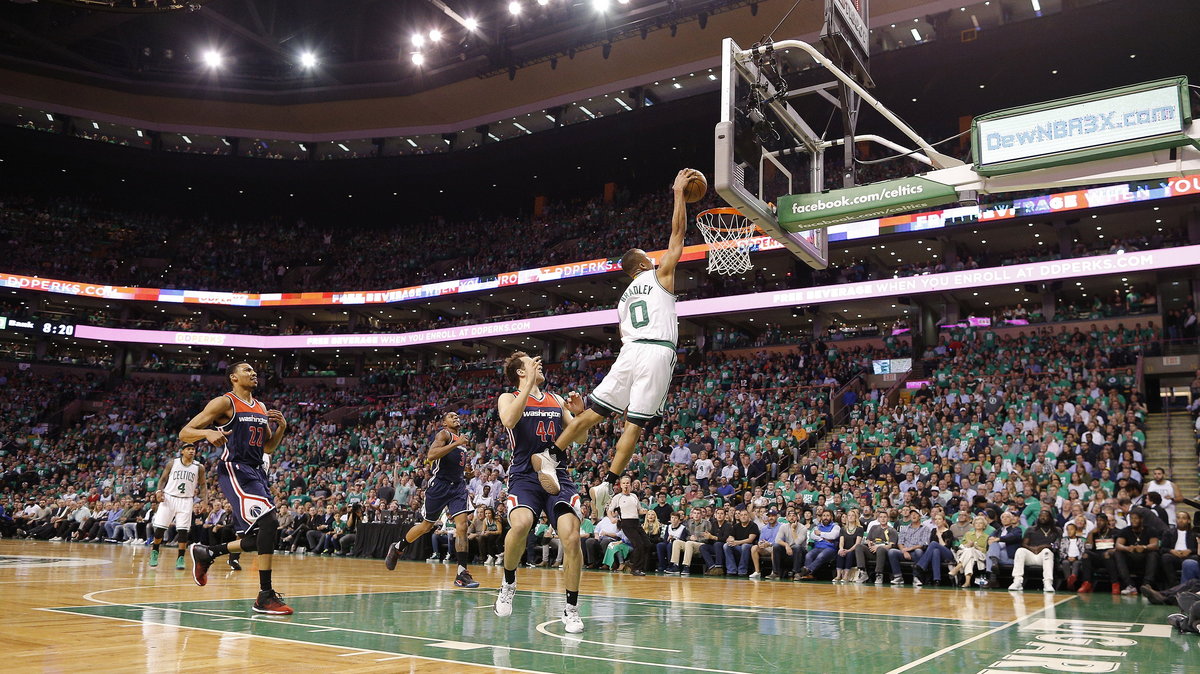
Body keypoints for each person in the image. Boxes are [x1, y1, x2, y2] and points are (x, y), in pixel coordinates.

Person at [546, 169, 698, 517]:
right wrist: (678, 194)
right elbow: (678, 234)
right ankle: (608, 484)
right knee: (634, 425)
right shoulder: (660, 273)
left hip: (628, 352)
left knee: (593, 414)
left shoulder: (623, 298)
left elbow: (621, 334)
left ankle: (550, 456)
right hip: (656, 350)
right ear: (643, 262)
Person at [181, 362, 292, 615]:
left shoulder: (261, 406)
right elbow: (185, 432)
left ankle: (208, 552)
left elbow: (268, 448)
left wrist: (282, 428)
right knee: (270, 521)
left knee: (256, 539)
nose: (253, 373)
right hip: (235, 468)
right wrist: (207, 433)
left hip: (256, 472)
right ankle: (265, 595)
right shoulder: (224, 402)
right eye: (247, 370)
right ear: (233, 377)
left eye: (255, 371)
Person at [493, 352, 588, 634]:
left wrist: (581, 414)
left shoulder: (557, 400)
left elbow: (580, 438)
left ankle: (571, 609)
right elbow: (510, 421)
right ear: (520, 372)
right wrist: (528, 386)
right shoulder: (507, 398)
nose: (539, 364)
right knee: (520, 524)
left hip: (558, 475)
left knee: (571, 537)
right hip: (524, 476)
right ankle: (508, 583)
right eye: (531, 362)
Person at [383, 411, 479, 588]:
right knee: (426, 526)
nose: (456, 417)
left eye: (457, 416)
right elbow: (431, 456)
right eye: (451, 416)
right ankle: (398, 547)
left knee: (463, 526)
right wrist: (457, 442)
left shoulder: (463, 444)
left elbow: (459, 467)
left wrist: (468, 473)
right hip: (440, 485)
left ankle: (461, 574)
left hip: (457, 487)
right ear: (444, 423)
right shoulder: (444, 435)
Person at [149, 442, 207, 570]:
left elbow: (203, 485)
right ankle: (155, 551)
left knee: (183, 531)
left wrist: (205, 501)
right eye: (188, 449)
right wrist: (159, 491)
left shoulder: (199, 467)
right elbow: (163, 479)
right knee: (159, 529)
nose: (191, 451)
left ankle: (180, 558)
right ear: (182, 451)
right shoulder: (172, 463)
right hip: (169, 497)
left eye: (193, 449)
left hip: (186, 500)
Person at [1009, 510, 1061, 593]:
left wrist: (1043, 546)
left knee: (1046, 551)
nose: (1042, 517)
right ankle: (1017, 581)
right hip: (1031, 555)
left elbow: (1057, 545)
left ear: (1050, 518)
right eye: (1041, 516)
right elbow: (1024, 544)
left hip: (1045, 557)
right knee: (1020, 550)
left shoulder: (1056, 530)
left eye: (1045, 516)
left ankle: (1048, 583)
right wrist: (1033, 549)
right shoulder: (1031, 529)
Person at [612, 476, 653, 576]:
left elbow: (638, 510)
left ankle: (630, 562)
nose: (626, 485)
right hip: (626, 523)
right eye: (624, 483)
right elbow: (610, 511)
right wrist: (612, 518)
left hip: (636, 522)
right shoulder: (617, 497)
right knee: (638, 544)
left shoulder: (634, 496)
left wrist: (643, 511)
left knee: (647, 544)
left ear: (630, 484)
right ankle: (636, 569)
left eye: (628, 483)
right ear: (621, 485)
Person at [1114, 511, 1160, 595]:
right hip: (1131, 558)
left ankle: (1147, 585)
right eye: (1131, 518)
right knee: (1118, 553)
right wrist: (1127, 548)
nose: (1133, 521)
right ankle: (1129, 585)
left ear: (1141, 520)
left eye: (1135, 518)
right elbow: (1118, 545)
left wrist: (1144, 547)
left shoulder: (1150, 530)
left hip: (1145, 558)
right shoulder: (1126, 530)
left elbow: (1155, 545)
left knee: (1153, 554)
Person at [1159, 511, 1199, 587]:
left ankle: (1188, 585)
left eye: (1184, 518)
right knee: (1165, 557)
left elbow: (1197, 549)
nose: (1180, 520)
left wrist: (1190, 551)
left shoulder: (1194, 534)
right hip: (1174, 556)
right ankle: (1174, 585)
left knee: (1195, 558)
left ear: (1188, 521)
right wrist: (1171, 551)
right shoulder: (1168, 533)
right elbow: (1162, 549)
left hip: (1189, 557)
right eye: (1178, 518)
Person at [952, 515, 990, 588]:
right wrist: (968, 545)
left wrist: (975, 546)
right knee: (970, 556)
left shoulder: (987, 536)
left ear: (984, 525)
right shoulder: (968, 534)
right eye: (976, 523)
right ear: (974, 525)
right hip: (968, 554)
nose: (978, 524)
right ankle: (967, 582)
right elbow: (962, 546)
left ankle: (958, 567)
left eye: (980, 523)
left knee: (971, 550)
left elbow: (985, 550)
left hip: (980, 555)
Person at [834, 509, 864, 584]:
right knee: (840, 552)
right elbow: (841, 541)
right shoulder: (843, 529)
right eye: (849, 515)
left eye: (852, 515)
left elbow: (857, 543)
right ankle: (838, 575)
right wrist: (841, 548)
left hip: (854, 550)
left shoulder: (859, 529)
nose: (850, 517)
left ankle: (846, 575)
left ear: (856, 517)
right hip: (845, 549)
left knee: (849, 554)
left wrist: (848, 550)